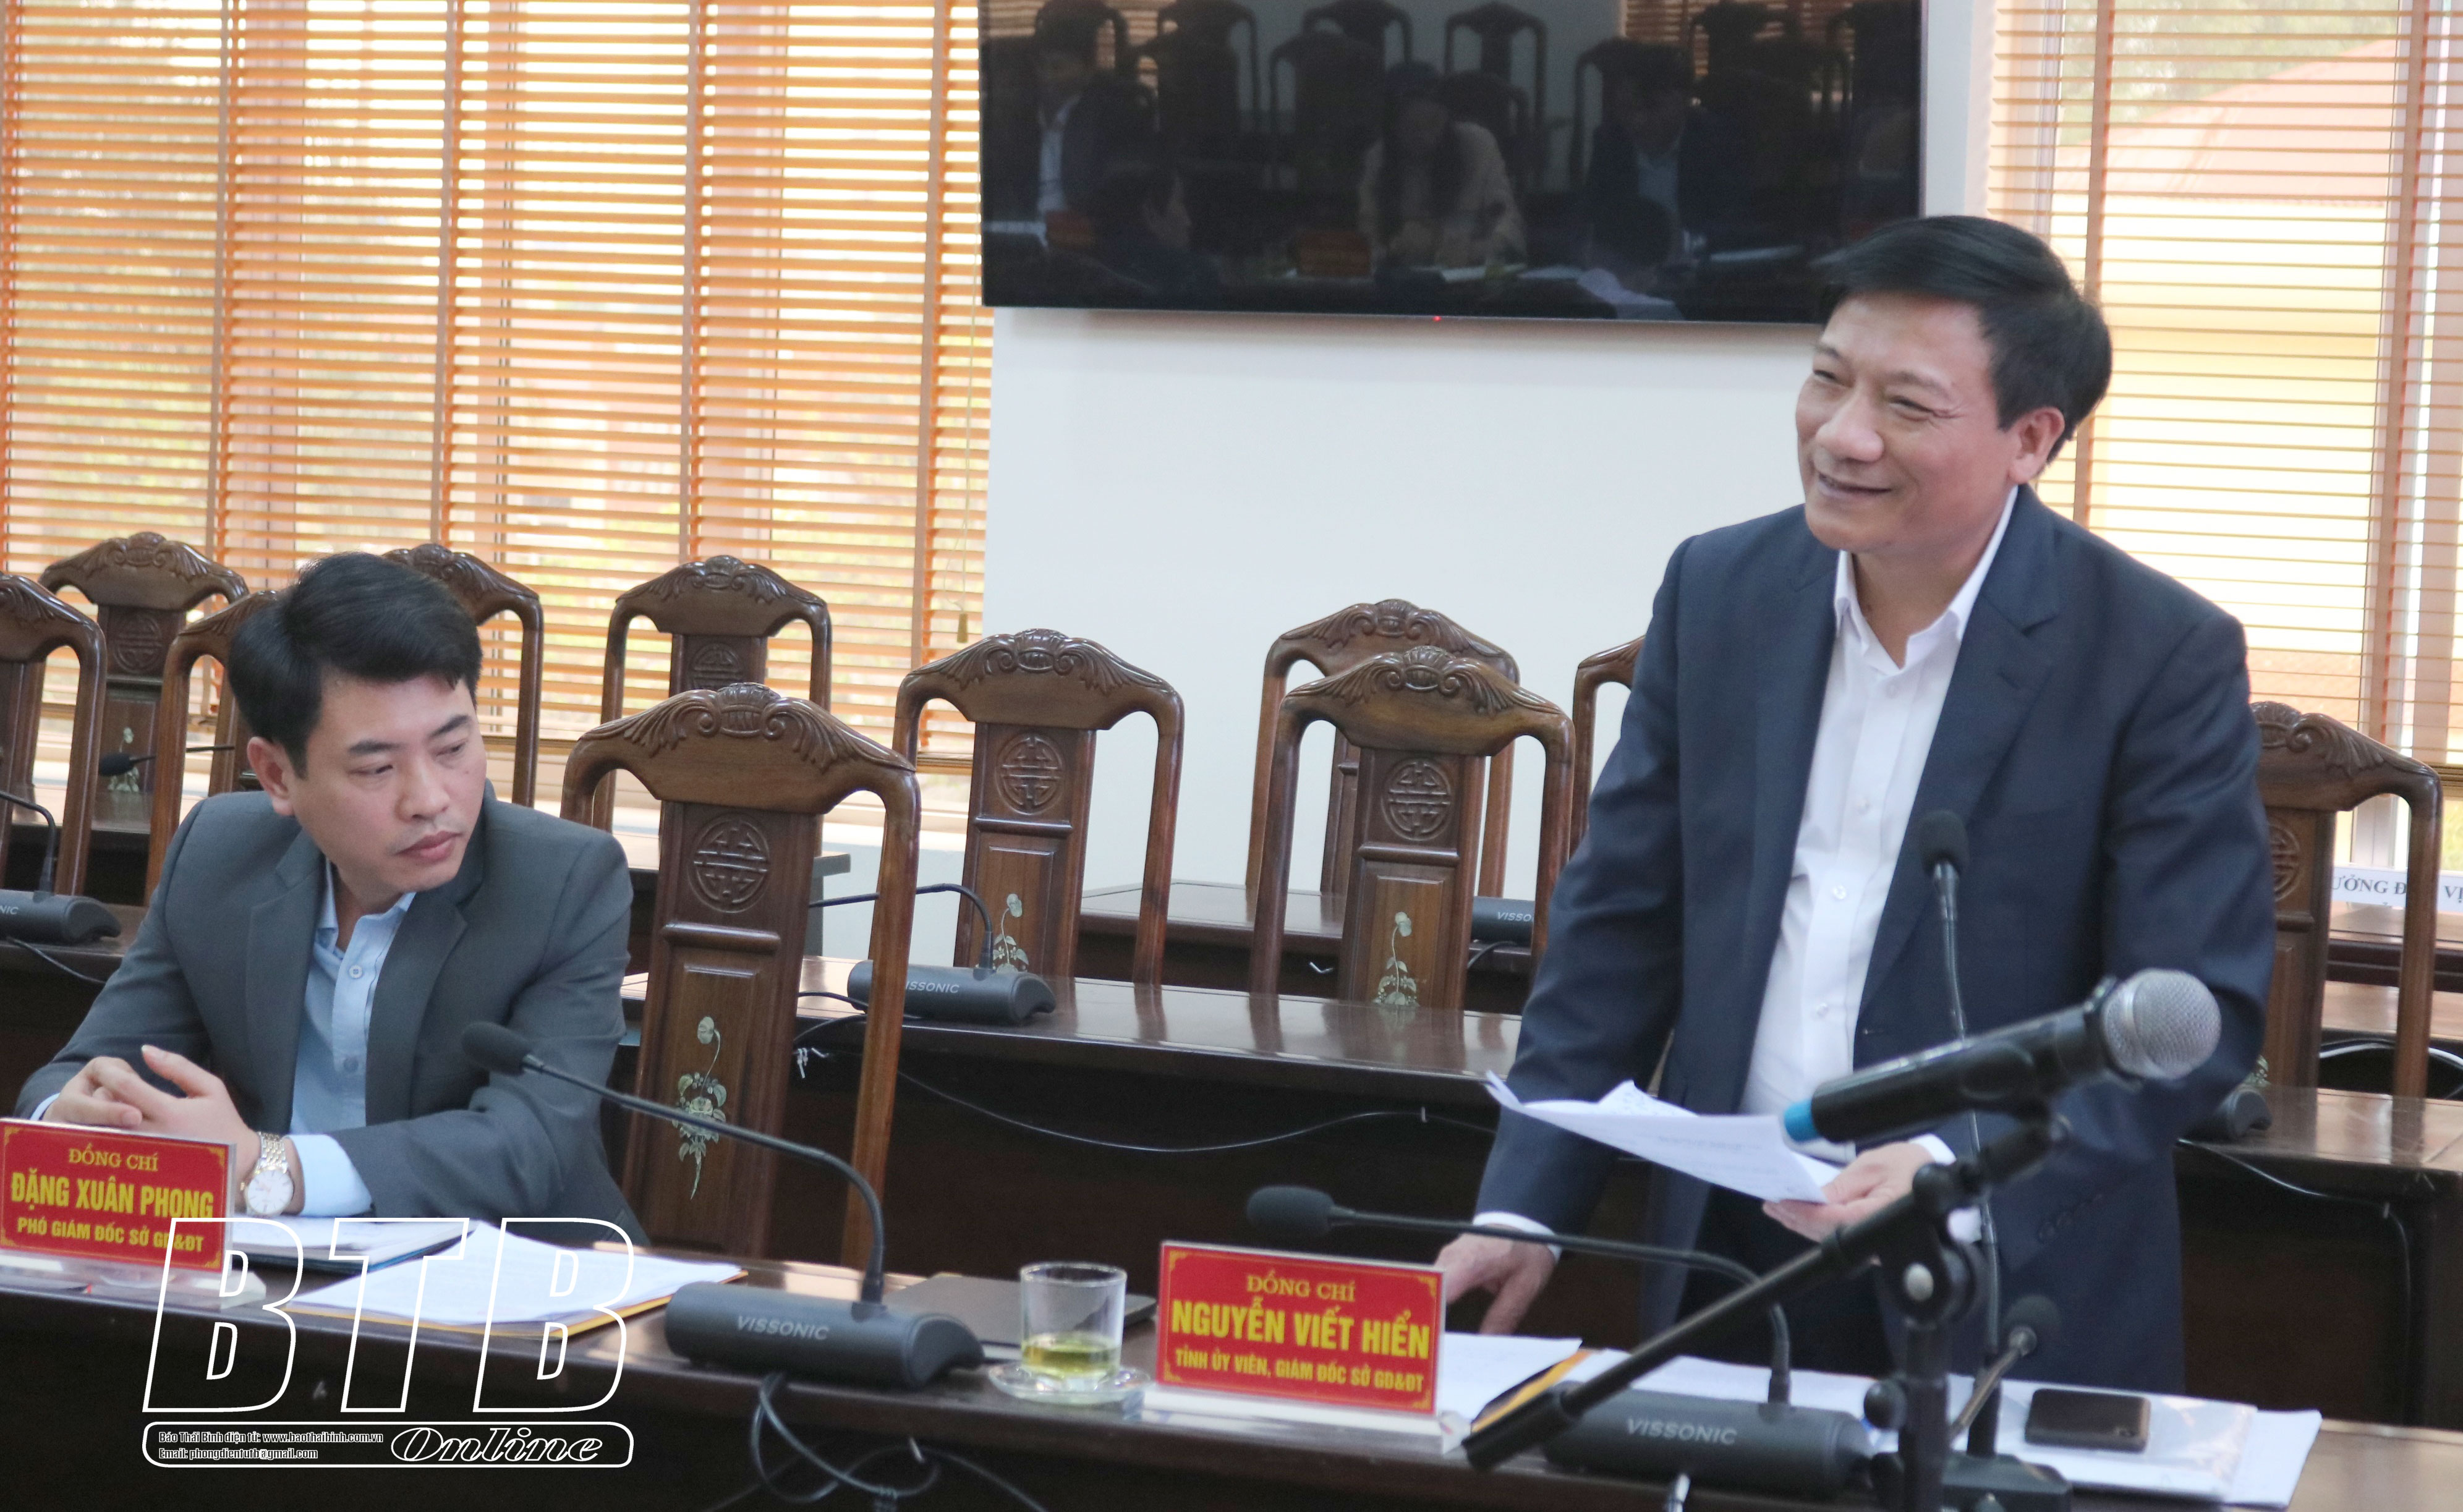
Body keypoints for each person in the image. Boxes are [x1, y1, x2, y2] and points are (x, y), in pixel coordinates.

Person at [1438, 216, 2273, 1391]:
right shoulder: (1721, 592)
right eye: (1827, 379)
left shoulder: (2152, 654)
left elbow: (2192, 1014)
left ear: (2030, 439)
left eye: (1906, 405)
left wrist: (1955, 1163)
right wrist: (1525, 1204)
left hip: (2000, 1277)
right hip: (1732, 1261)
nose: (1841, 435)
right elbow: (1616, 928)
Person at [16, 553, 640, 1239]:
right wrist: (69, 1117)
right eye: (377, 767)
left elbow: (527, 1146)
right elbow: (83, 1070)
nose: (430, 799)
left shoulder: (561, 881)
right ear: (278, 776)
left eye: (453, 749)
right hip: (278, 1273)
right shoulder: (219, 855)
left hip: (523, 1274)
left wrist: (271, 1167)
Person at [1581, 43, 1750, 258]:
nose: (1637, 121)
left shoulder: (1717, 140)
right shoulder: (1611, 140)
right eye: (1627, 108)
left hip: (1697, 267)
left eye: (1652, 107)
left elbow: (1736, 224)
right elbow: (1589, 217)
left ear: (1685, 101)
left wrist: (1688, 242)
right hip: (1629, 268)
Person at [985, 16, 1154, 226]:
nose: (1047, 76)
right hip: (1023, 229)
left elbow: (1120, 193)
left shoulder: (1114, 116)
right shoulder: (1017, 116)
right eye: (1041, 66)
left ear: (1089, 70)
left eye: (1058, 67)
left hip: (1088, 232)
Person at [1356, 66, 1523, 271]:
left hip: (1470, 281)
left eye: (1434, 122)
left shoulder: (1478, 146)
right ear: (1393, 128)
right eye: (1412, 128)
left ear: (1447, 116)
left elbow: (1511, 236)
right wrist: (1393, 249)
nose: (1427, 138)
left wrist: (1464, 252)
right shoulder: (1378, 159)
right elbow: (1366, 244)